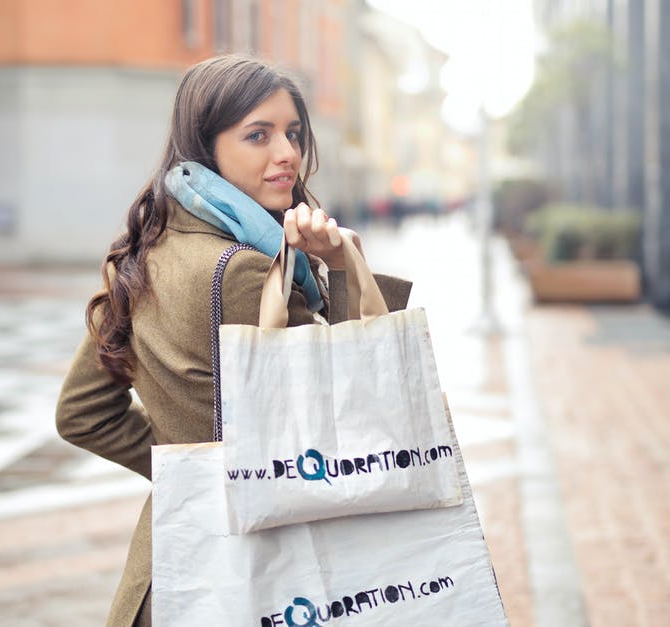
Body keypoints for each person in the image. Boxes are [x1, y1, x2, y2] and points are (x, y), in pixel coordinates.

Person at [55, 55, 411, 627]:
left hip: (168, 573)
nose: (287, 152)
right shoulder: (247, 271)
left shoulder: (144, 253)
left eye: (292, 132)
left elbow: (81, 414)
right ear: (206, 147)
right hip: (258, 576)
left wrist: (189, 468)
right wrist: (345, 268)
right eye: (258, 135)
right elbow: (354, 414)